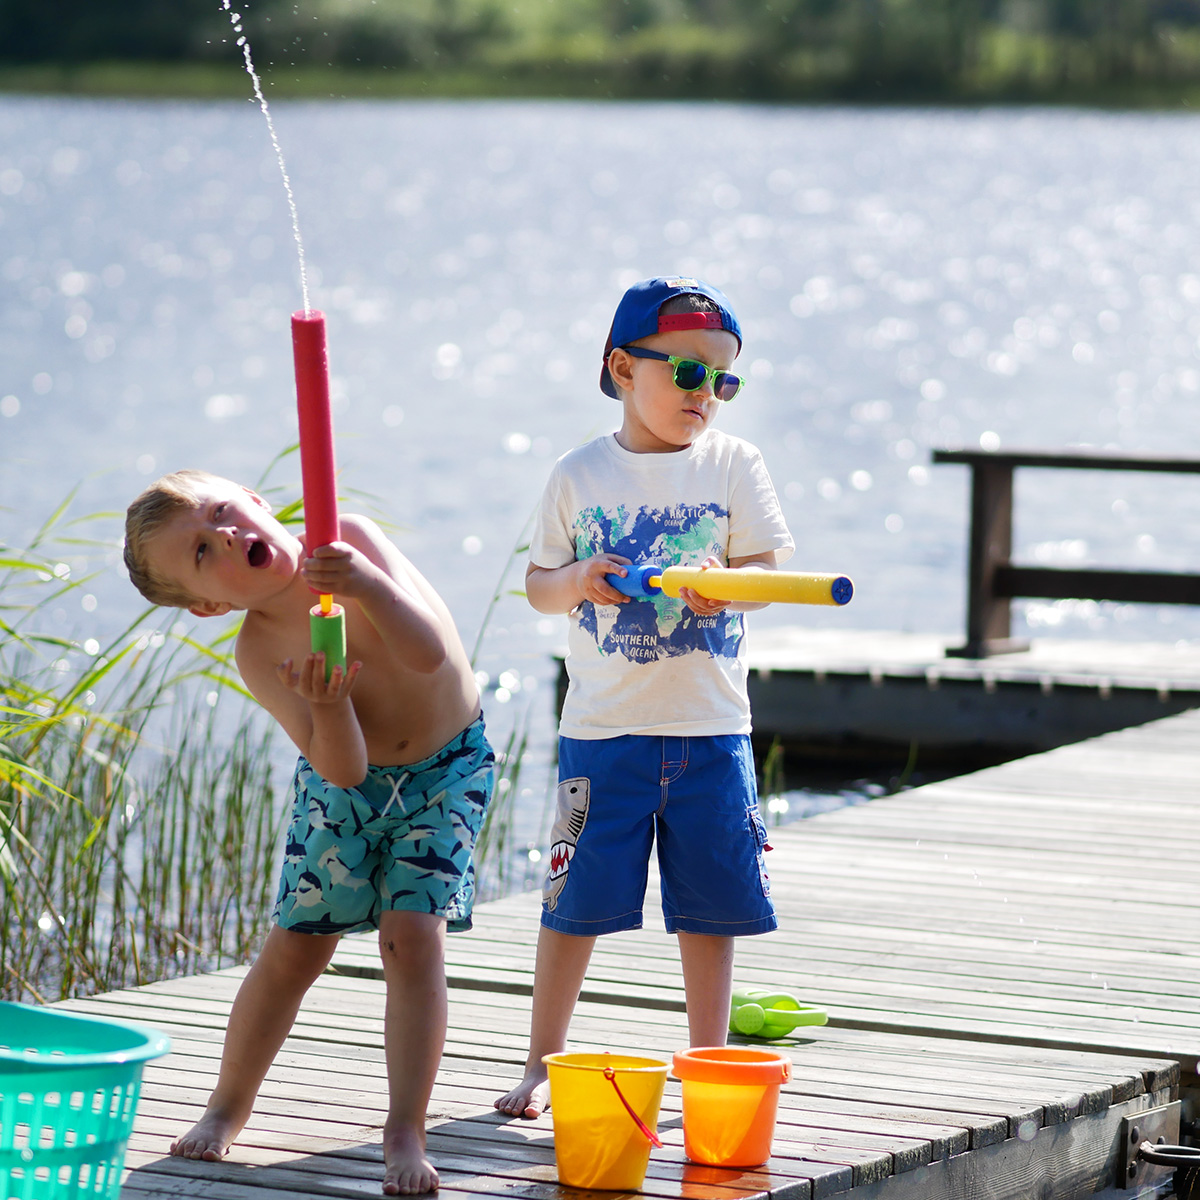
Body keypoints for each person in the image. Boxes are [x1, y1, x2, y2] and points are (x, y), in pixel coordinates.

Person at [124, 469, 493, 1195]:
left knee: (411, 938)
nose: (226, 534)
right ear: (209, 604)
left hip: (447, 768)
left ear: (258, 505)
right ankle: (228, 1107)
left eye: (225, 512)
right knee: (296, 950)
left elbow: (428, 655)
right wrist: (329, 706)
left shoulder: (347, 541)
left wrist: (365, 587)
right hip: (343, 785)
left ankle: (404, 1127)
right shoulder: (260, 653)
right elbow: (343, 770)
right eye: (203, 550)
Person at [494, 276, 794, 1119]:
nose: (708, 396)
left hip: (710, 730)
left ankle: (709, 1058)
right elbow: (540, 586)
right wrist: (582, 578)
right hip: (604, 731)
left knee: (712, 910)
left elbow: (768, 573)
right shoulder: (578, 473)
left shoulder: (736, 465)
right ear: (624, 368)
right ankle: (542, 1062)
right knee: (572, 904)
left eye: (724, 381)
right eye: (690, 374)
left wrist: (727, 588)